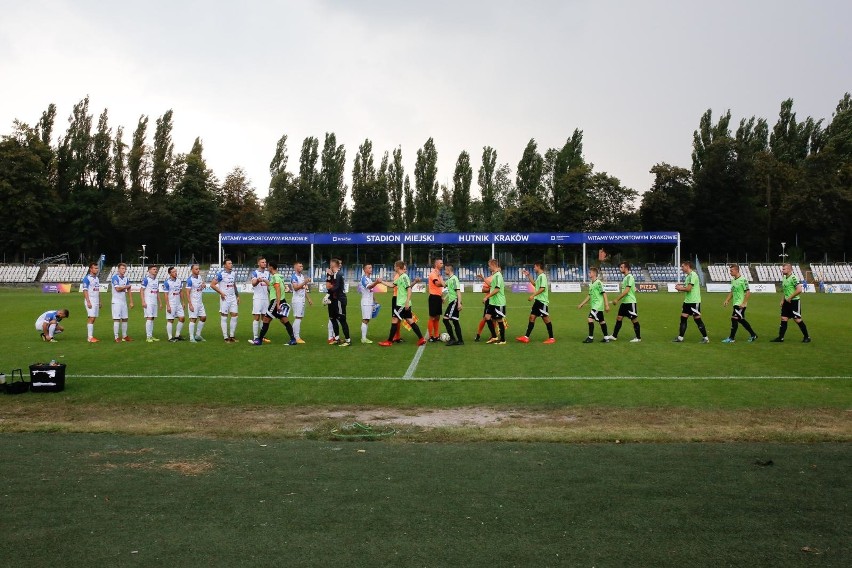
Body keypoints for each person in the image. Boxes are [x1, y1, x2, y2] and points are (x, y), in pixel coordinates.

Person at [378, 260, 426, 347]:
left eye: (394, 266)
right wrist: (381, 281)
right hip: (403, 303)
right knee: (409, 320)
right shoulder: (400, 277)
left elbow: (409, 289)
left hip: (402, 304)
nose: (394, 267)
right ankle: (421, 338)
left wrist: (407, 301)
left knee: (394, 320)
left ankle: (389, 341)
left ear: (398, 267)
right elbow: (392, 285)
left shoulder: (404, 277)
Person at [252, 262, 297, 346]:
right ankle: (293, 339)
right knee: (284, 320)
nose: (267, 268)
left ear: (271, 267)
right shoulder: (279, 276)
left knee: (266, 319)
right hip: (281, 300)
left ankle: (259, 340)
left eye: (268, 266)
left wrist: (277, 303)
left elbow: (278, 290)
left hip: (276, 301)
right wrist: (264, 280)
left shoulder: (275, 277)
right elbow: (272, 285)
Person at [771, 263, 811, 343]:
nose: (782, 270)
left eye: (784, 269)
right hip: (786, 302)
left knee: (797, 319)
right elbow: (785, 291)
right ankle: (780, 338)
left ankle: (807, 337)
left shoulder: (793, 278)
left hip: (794, 302)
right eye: (783, 269)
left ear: (789, 269)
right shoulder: (785, 278)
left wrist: (790, 297)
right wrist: (783, 300)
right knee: (783, 318)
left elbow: (799, 289)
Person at [517, 261, 555, 344]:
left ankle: (551, 338)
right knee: (532, 317)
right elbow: (535, 284)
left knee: (546, 319)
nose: (534, 268)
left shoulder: (543, 276)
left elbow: (542, 288)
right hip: (537, 301)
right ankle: (526, 337)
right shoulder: (539, 277)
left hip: (542, 302)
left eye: (534, 267)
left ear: (538, 266)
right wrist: (528, 275)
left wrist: (532, 295)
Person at [673, 260, 709, 343]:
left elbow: (688, 289)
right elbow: (686, 288)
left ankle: (706, 338)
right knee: (683, 318)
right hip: (687, 301)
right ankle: (680, 337)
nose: (681, 268)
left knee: (697, 319)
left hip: (694, 301)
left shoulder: (693, 275)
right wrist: (680, 287)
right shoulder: (688, 276)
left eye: (682, 266)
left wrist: (680, 288)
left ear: (687, 266)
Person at [722, 264, 758, 343]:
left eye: (731, 271)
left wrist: (744, 303)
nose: (730, 272)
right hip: (735, 304)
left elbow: (748, 292)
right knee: (741, 320)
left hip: (740, 305)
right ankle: (753, 335)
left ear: (736, 270)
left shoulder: (743, 280)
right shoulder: (733, 280)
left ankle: (731, 338)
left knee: (734, 318)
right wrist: (727, 300)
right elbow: (732, 291)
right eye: (729, 271)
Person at [610, 262, 641, 343]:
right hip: (624, 302)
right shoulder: (625, 278)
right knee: (619, 318)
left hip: (630, 302)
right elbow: (631, 288)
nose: (620, 268)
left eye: (621, 267)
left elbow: (626, 291)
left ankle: (638, 337)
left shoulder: (630, 277)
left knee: (634, 319)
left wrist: (617, 299)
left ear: (626, 268)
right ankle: (614, 336)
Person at [209, 258, 240, 342]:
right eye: (229, 263)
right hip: (225, 298)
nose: (231, 265)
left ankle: (232, 336)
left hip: (233, 297)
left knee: (235, 315)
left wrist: (237, 296)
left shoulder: (233, 273)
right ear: (225, 265)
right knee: (224, 316)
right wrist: (221, 293)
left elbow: (234, 285)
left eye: (231, 263)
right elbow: (212, 285)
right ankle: (226, 337)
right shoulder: (220, 274)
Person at [578, 266, 610, 343]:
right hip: (596, 306)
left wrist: (607, 305)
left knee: (590, 319)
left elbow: (604, 293)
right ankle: (606, 338)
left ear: (594, 274)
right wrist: (582, 304)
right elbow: (589, 295)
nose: (589, 273)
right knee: (602, 321)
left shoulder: (598, 283)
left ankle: (590, 338)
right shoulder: (591, 284)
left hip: (597, 306)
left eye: (590, 272)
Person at [326, 258, 351, 346]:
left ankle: (348, 340)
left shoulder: (338, 274)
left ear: (333, 264)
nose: (330, 265)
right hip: (335, 300)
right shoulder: (335, 274)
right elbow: (329, 284)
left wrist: (329, 289)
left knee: (342, 320)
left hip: (340, 300)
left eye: (331, 263)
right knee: (333, 319)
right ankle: (337, 338)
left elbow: (336, 287)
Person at [482, 259, 507, 345]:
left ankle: (503, 340)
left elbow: (496, 289)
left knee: (499, 320)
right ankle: (494, 336)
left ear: (493, 265)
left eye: (489, 266)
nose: (489, 267)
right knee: (487, 317)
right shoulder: (495, 275)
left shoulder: (498, 275)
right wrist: (483, 278)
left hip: (498, 302)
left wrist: (487, 297)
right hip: (493, 302)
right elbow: (491, 284)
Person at [111, 262, 134, 342]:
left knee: (125, 318)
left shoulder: (126, 278)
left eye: (125, 269)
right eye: (122, 268)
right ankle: (116, 337)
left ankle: (124, 336)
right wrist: (125, 287)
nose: (124, 270)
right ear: (118, 269)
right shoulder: (115, 278)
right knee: (117, 319)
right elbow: (117, 289)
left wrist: (131, 301)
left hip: (123, 302)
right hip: (116, 302)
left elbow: (129, 289)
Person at [290, 262, 312, 344]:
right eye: (300, 266)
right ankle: (297, 337)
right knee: (298, 317)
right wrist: (305, 282)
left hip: (302, 300)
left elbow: (303, 289)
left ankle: (293, 334)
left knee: (299, 317)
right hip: (297, 300)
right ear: (295, 268)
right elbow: (295, 288)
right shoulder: (294, 277)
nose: (302, 267)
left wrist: (308, 298)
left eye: (302, 266)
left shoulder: (302, 276)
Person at [359, 264, 382, 344]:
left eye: (371, 267)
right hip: (366, 302)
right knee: (365, 319)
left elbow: (371, 291)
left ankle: (364, 338)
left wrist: (375, 300)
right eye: (369, 268)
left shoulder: (369, 279)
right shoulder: (364, 278)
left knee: (367, 319)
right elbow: (369, 287)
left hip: (369, 302)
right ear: (365, 270)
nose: (371, 269)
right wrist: (376, 282)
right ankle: (363, 338)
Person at [442, 262, 464, 345]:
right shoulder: (450, 279)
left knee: (445, 320)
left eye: (445, 269)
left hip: (454, 302)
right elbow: (445, 286)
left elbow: (458, 291)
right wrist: (444, 297)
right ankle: (460, 340)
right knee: (455, 321)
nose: (444, 271)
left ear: (448, 269)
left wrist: (459, 303)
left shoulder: (454, 279)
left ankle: (453, 339)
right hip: (453, 301)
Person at [250, 257, 271, 343]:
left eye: (265, 262)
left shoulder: (267, 273)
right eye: (262, 262)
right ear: (258, 263)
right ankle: (255, 336)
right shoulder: (255, 272)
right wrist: (258, 280)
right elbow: (253, 284)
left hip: (266, 298)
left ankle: (262, 336)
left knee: (264, 318)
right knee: (257, 317)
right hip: (258, 298)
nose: (264, 264)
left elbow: (269, 286)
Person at [185, 263, 207, 342]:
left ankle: (198, 335)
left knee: (203, 317)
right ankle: (191, 337)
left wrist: (202, 286)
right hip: (193, 302)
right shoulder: (190, 280)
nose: (198, 270)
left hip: (200, 302)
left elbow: (199, 287)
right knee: (193, 319)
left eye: (198, 269)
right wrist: (190, 304)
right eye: (196, 269)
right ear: (192, 270)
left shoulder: (200, 277)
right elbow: (187, 292)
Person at [163, 266, 186, 342]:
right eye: (173, 272)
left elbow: (181, 291)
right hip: (171, 303)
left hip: (178, 303)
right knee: (170, 320)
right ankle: (170, 337)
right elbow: (165, 294)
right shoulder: (167, 282)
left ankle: (177, 335)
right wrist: (168, 305)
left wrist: (183, 302)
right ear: (170, 273)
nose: (175, 273)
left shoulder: (179, 281)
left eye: (176, 271)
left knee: (182, 318)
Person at [140, 265, 161, 342]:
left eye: (156, 269)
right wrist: (143, 301)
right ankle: (148, 337)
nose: (156, 270)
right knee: (149, 317)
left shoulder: (156, 280)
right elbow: (141, 290)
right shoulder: (146, 280)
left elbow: (157, 291)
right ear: (149, 270)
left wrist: (160, 303)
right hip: (148, 301)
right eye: (154, 269)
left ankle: (151, 336)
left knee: (152, 318)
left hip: (154, 301)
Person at [82, 262, 101, 343]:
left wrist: (100, 301)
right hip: (90, 300)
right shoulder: (87, 278)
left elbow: (98, 290)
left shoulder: (97, 278)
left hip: (96, 300)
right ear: (91, 269)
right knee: (91, 317)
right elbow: (85, 290)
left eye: (97, 268)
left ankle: (91, 336)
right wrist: (88, 301)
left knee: (93, 318)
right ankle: (90, 337)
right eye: (95, 268)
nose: (97, 269)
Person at [427, 258, 445, 342]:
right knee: (432, 317)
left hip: (438, 297)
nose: (442, 264)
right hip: (433, 297)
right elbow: (437, 284)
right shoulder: (433, 273)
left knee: (437, 317)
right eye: (441, 263)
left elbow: (440, 287)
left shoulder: (438, 274)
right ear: (436, 264)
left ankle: (436, 335)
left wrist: (441, 297)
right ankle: (431, 336)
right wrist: (443, 282)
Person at [473, 272, 493, 342]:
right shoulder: (489, 279)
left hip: (498, 301)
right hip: (489, 300)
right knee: (485, 318)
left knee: (495, 319)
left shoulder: (499, 278)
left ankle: (493, 336)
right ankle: (478, 335)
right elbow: (483, 290)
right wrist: (494, 289)